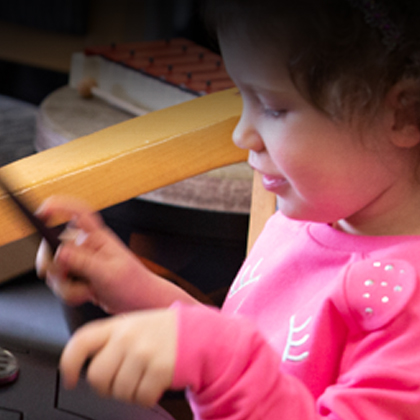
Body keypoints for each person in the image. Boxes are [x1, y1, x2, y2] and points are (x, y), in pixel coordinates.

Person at [36, 0, 420, 418]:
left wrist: (217, 355)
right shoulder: (319, 217)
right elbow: (259, 360)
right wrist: (130, 286)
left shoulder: (408, 309)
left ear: (402, 114)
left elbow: (236, 362)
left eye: (273, 107)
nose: (241, 134)